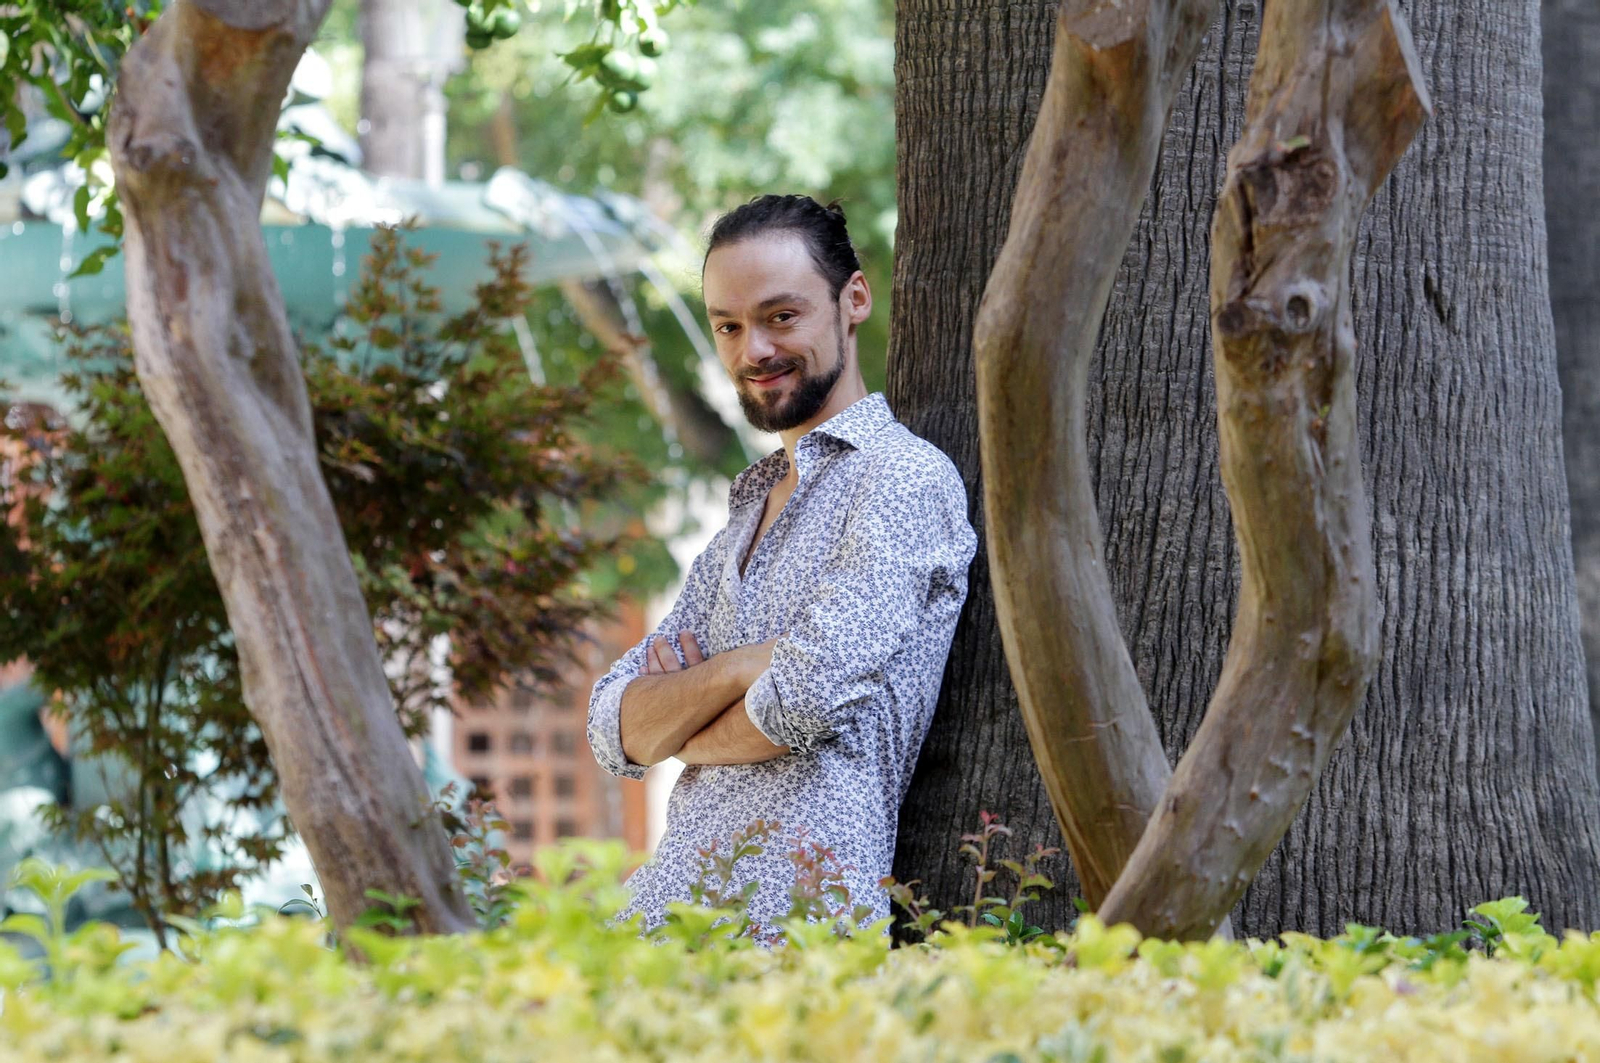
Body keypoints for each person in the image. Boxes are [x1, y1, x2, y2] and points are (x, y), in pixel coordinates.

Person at [586, 194, 976, 935]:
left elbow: (802, 699)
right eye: (728, 326)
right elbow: (615, 728)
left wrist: (681, 715)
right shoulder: (744, 511)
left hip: (790, 937)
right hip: (663, 920)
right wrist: (738, 671)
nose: (752, 350)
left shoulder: (902, 479)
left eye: (781, 317)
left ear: (852, 299)